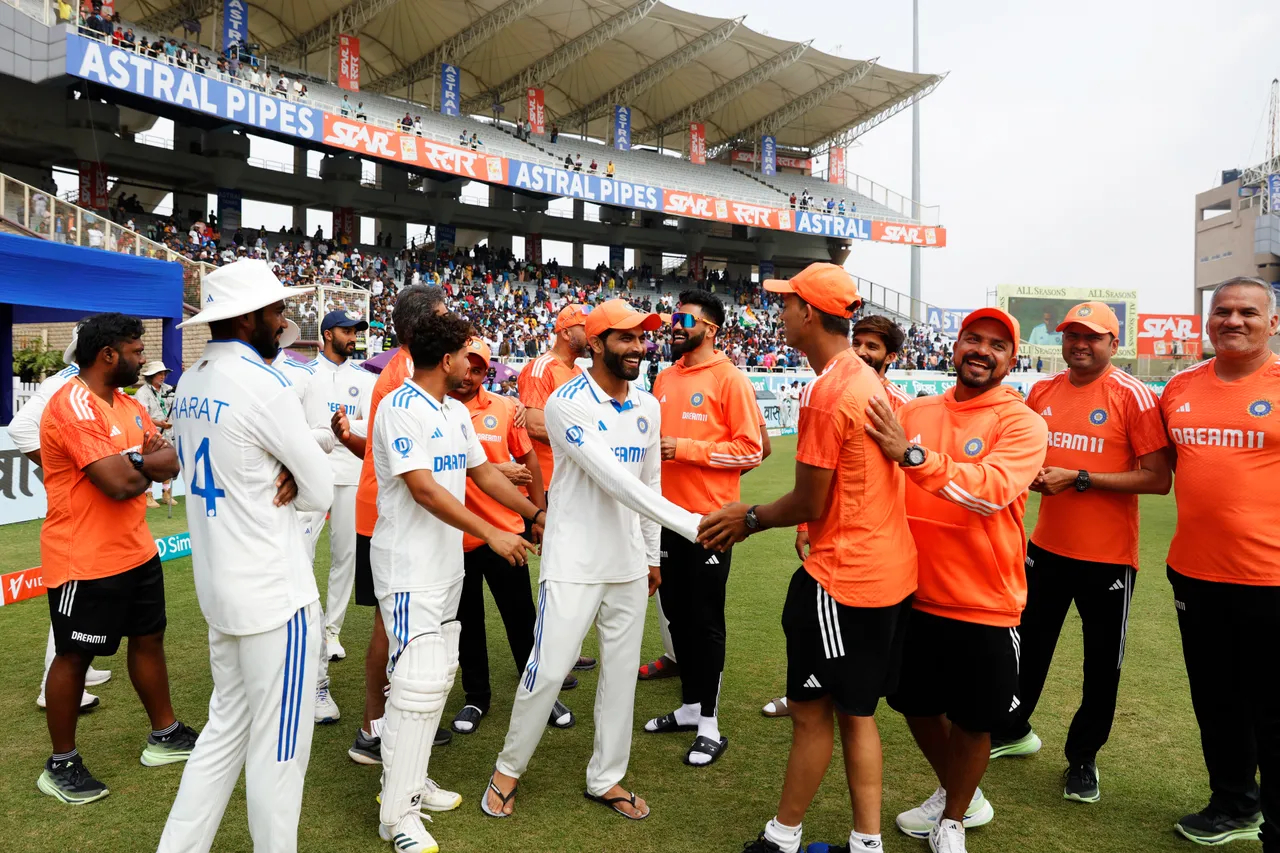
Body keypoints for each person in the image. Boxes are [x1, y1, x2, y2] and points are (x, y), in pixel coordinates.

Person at [699, 264, 917, 853]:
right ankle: (865, 843)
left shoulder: (830, 390)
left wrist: (748, 518)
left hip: (844, 579)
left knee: (813, 711)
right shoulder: (865, 380)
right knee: (856, 712)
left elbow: (809, 499)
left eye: (787, 303)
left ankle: (784, 836)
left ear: (811, 314)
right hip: (884, 571)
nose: (780, 312)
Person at [483, 299, 703, 820]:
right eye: (626, 337)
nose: (638, 346)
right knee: (549, 669)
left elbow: (649, 481)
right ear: (596, 343)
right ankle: (507, 769)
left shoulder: (647, 406)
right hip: (573, 560)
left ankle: (606, 778)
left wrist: (651, 555)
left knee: (621, 676)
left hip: (627, 564)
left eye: (643, 336)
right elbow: (615, 479)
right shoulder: (567, 403)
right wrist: (693, 525)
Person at [157, 260, 332, 853]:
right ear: (249, 317)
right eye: (277, 312)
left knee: (224, 732)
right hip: (275, 596)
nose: (283, 323)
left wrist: (285, 473)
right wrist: (287, 474)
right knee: (280, 753)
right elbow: (321, 489)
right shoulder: (267, 384)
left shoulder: (192, 381)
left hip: (221, 589)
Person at [865, 307, 1047, 853]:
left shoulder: (1021, 422)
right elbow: (870, 477)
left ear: (1011, 360)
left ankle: (954, 820)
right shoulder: (915, 409)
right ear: (956, 345)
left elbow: (988, 492)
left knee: (973, 719)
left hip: (983, 600)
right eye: (973, 338)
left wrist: (913, 456)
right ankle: (957, 793)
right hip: (911, 592)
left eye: (996, 344)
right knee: (913, 704)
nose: (981, 350)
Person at [371, 311, 546, 852]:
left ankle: (411, 780)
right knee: (414, 682)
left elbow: (484, 474)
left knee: (435, 676)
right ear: (446, 360)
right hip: (407, 569)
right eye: (467, 357)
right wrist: (493, 533)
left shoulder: (451, 410)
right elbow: (424, 490)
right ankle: (396, 816)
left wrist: (535, 516)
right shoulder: (400, 408)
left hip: (445, 567)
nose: (473, 367)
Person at [989, 302, 1170, 804]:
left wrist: (1082, 479)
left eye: (1092, 336)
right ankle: (1012, 728)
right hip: (1045, 549)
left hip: (1109, 560)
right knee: (1028, 646)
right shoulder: (1043, 390)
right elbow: (1023, 456)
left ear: (1114, 344)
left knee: (1100, 667)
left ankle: (1083, 758)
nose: (1079, 344)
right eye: (1072, 335)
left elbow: (1158, 479)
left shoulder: (1131, 395)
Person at [37, 313, 192, 805]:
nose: (143, 358)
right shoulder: (73, 406)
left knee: (149, 640)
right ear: (109, 355)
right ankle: (60, 764)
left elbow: (170, 461)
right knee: (74, 656)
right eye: (136, 350)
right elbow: (120, 483)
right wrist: (144, 464)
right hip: (83, 559)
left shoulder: (127, 404)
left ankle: (163, 736)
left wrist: (140, 464)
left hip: (136, 551)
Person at [1163, 276, 1280, 847]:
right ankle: (1233, 803)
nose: (1233, 320)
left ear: (1272, 323)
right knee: (1216, 699)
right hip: (1195, 573)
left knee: (1272, 708)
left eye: (1247, 312)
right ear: (1208, 321)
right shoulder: (1179, 387)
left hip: (1271, 581)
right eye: (1222, 312)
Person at [767, 314, 913, 719]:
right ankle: (808, 693)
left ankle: (825, 698)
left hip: (871, 548)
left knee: (853, 688)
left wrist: (751, 518)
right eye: (860, 342)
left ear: (892, 356)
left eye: (874, 346)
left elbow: (908, 475)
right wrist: (802, 524)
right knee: (815, 628)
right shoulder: (826, 388)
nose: (864, 351)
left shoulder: (901, 405)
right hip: (835, 533)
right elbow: (819, 473)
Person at [643, 291, 763, 766]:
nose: (673, 325)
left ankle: (710, 723)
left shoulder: (729, 378)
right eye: (673, 317)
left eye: (683, 318)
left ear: (710, 329)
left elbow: (752, 451)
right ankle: (691, 706)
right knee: (676, 615)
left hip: (710, 522)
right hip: (664, 518)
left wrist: (686, 450)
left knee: (705, 620)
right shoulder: (665, 377)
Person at [448, 338, 577, 735]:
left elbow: (530, 460)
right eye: (464, 366)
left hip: (507, 533)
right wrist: (497, 470)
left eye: (478, 368)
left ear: (487, 371)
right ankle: (476, 697)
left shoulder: (506, 409)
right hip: (457, 536)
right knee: (467, 622)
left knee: (522, 617)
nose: (469, 376)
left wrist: (539, 517)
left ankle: (540, 691)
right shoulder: (440, 409)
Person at [349, 286, 449, 766]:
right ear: (419, 327)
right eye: (443, 317)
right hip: (387, 513)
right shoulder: (402, 376)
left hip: (390, 507)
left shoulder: (408, 369)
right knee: (389, 625)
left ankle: (399, 714)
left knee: (401, 622)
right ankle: (375, 727)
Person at [9, 325, 113, 712]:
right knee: (73, 591)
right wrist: (63, 466)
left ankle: (79, 670)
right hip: (75, 509)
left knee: (86, 591)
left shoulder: (81, 383)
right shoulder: (67, 382)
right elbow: (21, 427)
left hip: (91, 508)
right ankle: (50, 685)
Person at [300, 310, 376, 724]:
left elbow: (371, 421)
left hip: (350, 475)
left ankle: (331, 634)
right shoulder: (304, 374)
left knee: (345, 559)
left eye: (355, 332)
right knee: (303, 556)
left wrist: (346, 424)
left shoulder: (364, 378)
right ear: (328, 333)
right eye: (347, 331)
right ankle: (308, 633)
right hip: (311, 476)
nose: (353, 338)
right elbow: (295, 421)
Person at [134, 360, 176, 507]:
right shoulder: (142, 393)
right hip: (150, 433)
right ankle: (148, 495)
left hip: (168, 432)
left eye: (164, 373)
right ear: (150, 376)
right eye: (159, 374)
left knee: (168, 462)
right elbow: (141, 416)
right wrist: (159, 424)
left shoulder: (169, 389)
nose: (162, 376)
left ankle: (166, 493)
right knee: (150, 463)